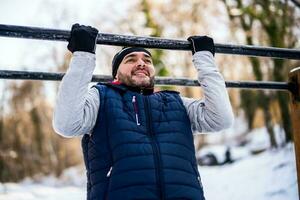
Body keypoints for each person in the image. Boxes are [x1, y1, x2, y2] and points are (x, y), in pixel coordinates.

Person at [53, 24, 234, 200]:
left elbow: (221, 119)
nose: (141, 63)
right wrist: (84, 55)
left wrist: (204, 59)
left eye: (147, 60)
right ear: (116, 74)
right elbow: (67, 124)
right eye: (131, 59)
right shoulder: (102, 97)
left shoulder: (176, 102)